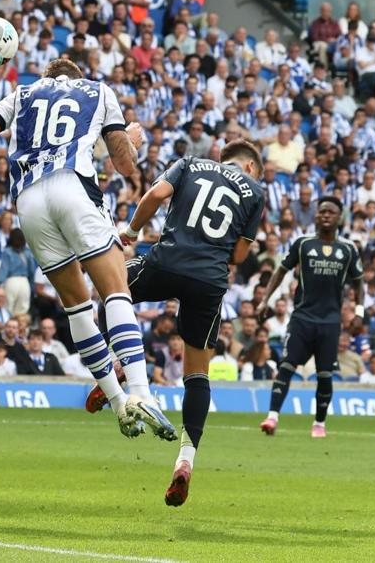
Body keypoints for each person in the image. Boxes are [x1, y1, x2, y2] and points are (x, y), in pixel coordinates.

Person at [0, 57, 175, 441]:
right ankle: (142, 392)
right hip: (72, 187)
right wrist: (131, 140)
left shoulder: (22, 93)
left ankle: (118, 401)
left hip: (28, 202)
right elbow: (125, 165)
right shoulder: (98, 90)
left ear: (47, 78)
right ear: (77, 77)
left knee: (76, 306)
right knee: (115, 289)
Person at [115, 140, 265, 507]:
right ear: (249, 168)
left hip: (166, 261)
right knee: (197, 374)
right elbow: (240, 255)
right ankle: (185, 460)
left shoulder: (190, 163)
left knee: (111, 291)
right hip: (209, 280)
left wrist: (133, 232)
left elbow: (153, 195)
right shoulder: (255, 191)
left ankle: (113, 370)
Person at [257, 197, 363, 439]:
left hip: (330, 322)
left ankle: (319, 423)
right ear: (316, 216)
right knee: (286, 365)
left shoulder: (347, 249)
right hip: (302, 318)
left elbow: (359, 281)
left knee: (325, 374)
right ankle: (272, 416)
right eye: (322, 211)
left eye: (331, 212)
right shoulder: (302, 244)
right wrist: (265, 300)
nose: (325, 215)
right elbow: (281, 271)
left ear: (339, 218)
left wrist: (359, 311)